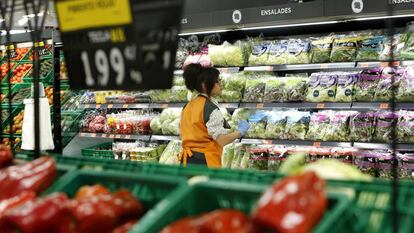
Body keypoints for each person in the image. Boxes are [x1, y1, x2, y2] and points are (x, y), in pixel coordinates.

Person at [179, 63, 251, 168]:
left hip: (187, 160)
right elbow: (222, 140)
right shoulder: (210, 108)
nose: (219, 84)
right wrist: (240, 132)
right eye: (216, 81)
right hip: (205, 162)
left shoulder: (188, 105)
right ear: (204, 85)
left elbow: (183, 133)